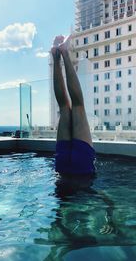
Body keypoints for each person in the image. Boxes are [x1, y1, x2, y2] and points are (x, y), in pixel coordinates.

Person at [51, 35, 95, 175]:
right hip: (62, 169)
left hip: (82, 169)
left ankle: (63, 53)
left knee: (77, 105)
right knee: (64, 107)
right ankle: (56, 57)